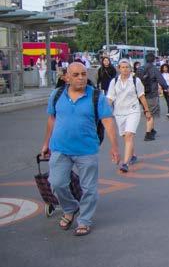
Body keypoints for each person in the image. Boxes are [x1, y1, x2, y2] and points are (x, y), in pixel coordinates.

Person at [40, 62, 120, 236]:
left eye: (83, 74)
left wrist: (114, 147)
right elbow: (51, 119)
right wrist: (46, 143)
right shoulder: (57, 94)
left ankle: (84, 220)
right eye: (76, 75)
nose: (81, 78)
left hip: (86, 150)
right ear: (66, 78)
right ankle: (70, 208)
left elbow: (108, 121)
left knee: (88, 188)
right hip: (60, 148)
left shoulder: (97, 96)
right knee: (57, 183)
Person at [106, 60, 152, 173]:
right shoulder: (114, 81)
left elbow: (141, 96)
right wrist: (105, 112)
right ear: (119, 68)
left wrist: (147, 111)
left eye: (127, 67)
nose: (125, 69)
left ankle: (125, 163)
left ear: (130, 69)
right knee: (125, 136)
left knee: (129, 135)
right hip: (119, 112)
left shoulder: (136, 81)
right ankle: (133, 154)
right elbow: (110, 98)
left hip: (133, 110)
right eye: (123, 67)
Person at [137, 53, 169, 140]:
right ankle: (148, 134)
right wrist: (167, 88)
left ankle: (152, 129)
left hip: (141, 95)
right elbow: (161, 81)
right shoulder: (154, 69)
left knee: (147, 112)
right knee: (150, 114)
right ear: (154, 60)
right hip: (152, 94)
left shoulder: (140, 68)